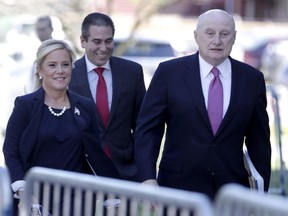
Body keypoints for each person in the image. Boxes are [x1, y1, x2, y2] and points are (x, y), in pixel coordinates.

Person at [134, 9, 271, 200]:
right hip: (177, 189)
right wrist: (147, 177)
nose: (217, 40)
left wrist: (260, 193)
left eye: (224, 34)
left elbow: (259, 142)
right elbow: (148, 129)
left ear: (234, 37)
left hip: (231, 193)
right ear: (196, 36)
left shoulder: (252, 79)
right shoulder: (169, 73)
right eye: (210, 33)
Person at [2, 39, 122, 215]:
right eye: (52, 65)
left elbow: (97, 153)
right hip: (34, 199)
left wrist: (113, 195)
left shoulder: (85, 106)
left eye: (65, 64)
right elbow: (11, 151)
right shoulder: (25, 106)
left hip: (77, 201)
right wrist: (24, 192)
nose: (60, 71)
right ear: (39, 69)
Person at [69, 12, 146, 181]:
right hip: (81, 175)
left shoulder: (132, 72)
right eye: (97, 41)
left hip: (125, 173)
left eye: (108, 41)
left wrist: (143, 170)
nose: (103, 48)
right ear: (83, 41)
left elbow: (143, 126)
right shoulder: (68, 75)